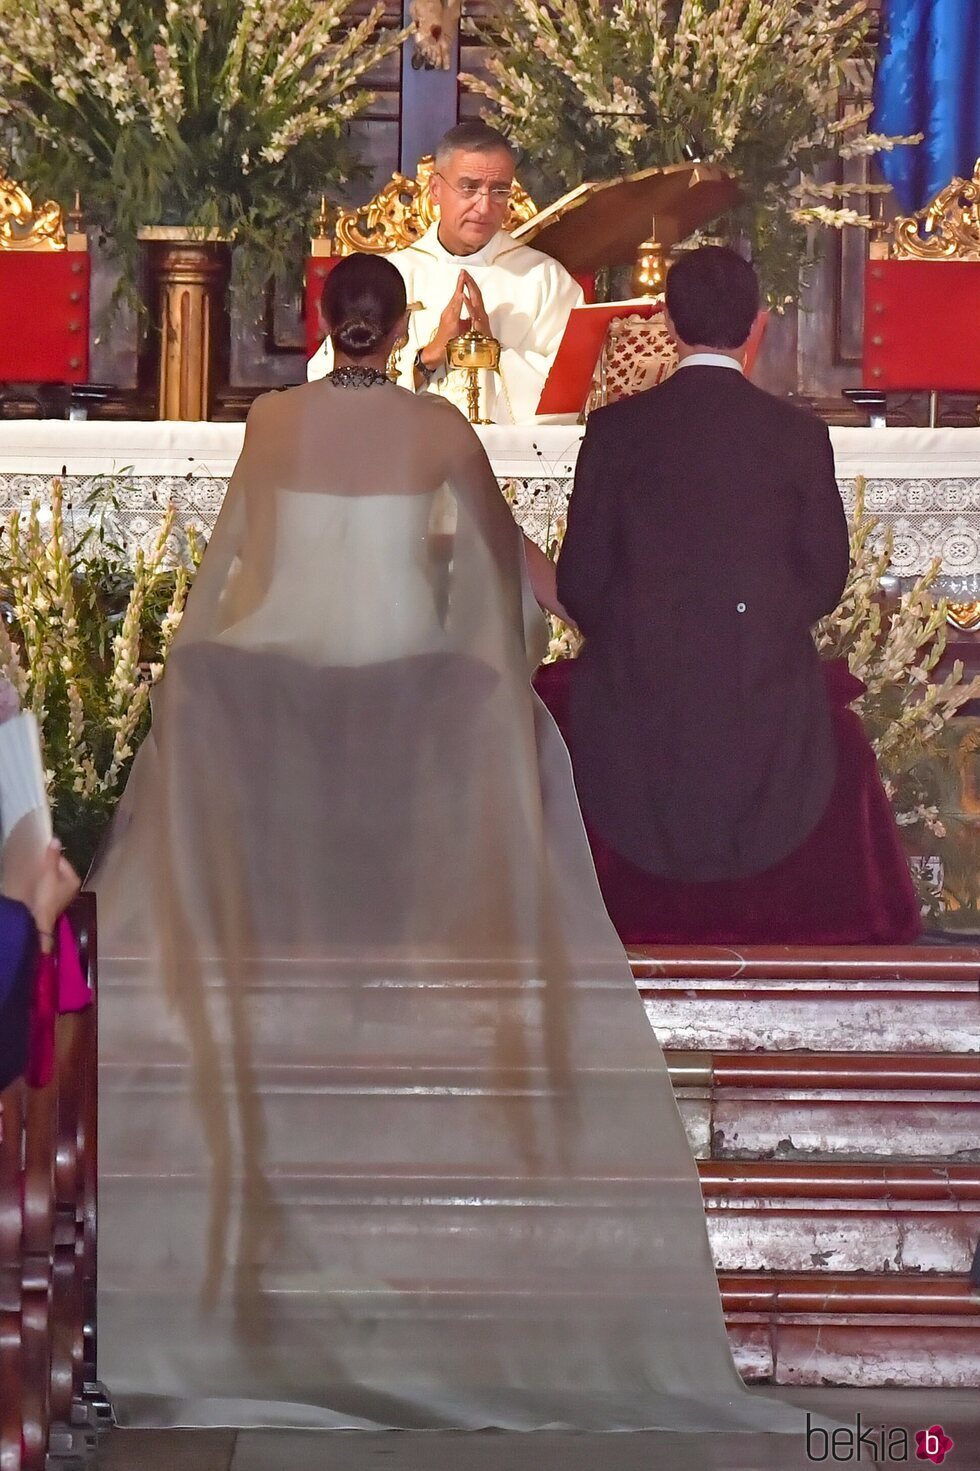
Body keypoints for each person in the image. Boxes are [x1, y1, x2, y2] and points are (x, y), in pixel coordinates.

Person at [91, 254, 821, 1436]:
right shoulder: (437, 430)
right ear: (406, 322)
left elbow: (248, 569)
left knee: (222, 716)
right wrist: (590, 616)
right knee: (517, 733)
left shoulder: (272, 421)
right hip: (403, 675)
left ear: (322, 325)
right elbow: (503, 558)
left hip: (273, 668)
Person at [545, 246, 920, 945]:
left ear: (667, 324)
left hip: (635, 699)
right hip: (763, 695)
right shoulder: (797, 434)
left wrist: (643, 632)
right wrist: (758, 629)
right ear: (756, 324)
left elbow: (582, 582)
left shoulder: (616, 430)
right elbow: (825, 574)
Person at [307, 120, 583, 423]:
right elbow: (332, 389)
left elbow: (570, 397)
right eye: (470, 187)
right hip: (404, 459)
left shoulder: (545, 280)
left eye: (499, 191)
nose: (484, 206)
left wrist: (492, 349)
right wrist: (429, 357)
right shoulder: (390, 275)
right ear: (436, 189)